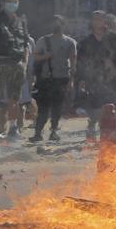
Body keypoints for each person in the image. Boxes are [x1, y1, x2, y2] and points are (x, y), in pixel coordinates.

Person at [0, 0, 30, 138]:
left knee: (14, 98)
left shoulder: (21, 21)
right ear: (2, 3)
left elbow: (25, 43)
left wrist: (24, 62)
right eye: (9, 1)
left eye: (15, 1)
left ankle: (13, 128)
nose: (13, 4)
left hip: (16, 63)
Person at [76, 11, 116, 139]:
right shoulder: (86, 41)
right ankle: (95, 132)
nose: (98, 22)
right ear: (92, 22)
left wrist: (115, 68)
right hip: (94, 79)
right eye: (95, 19)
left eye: (100, 19)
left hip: (112, 77)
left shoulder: (113, 37)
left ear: (105, 21)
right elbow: (80, 61)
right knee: (97, 109)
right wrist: (81, 79)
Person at [29, 15, 77, 143]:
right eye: (54, 23)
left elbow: (73, 63)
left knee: (57, 107)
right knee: (43, 108)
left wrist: (71, 81)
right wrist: (46, 56)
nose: (57, 26)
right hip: (45, 79)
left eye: (59, 23)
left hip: (61, 78)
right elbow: (35, 56)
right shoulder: (43, 40)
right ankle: (38, 133)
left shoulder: (70, 42)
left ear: (63, 25)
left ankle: (54, 131)